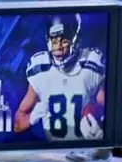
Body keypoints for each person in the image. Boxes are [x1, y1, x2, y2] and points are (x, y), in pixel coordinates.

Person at [14, 13, 106, 141]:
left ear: (75, 39)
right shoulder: (40, 68)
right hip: (53, 155)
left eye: (64, 40)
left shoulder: (91, 62)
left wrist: (101, 125)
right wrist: (33, 116)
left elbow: (107, 109)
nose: (58, 47)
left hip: (87, 151)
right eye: (54, 41)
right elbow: (18, 125)